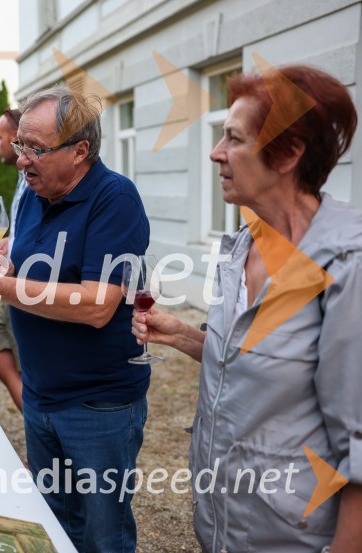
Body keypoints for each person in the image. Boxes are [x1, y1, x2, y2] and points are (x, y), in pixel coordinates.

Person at [132, 65, 362, 553]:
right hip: (223, 524)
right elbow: (251, 359)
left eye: (233, 139)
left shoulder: (346, 264)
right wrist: (177, 332)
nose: (216, 153)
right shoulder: (240, 248)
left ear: (289, 153)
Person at [0, 85, 150, 552]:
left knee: (103, 534)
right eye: (19, 145)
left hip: (98, 404)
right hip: (41, 396)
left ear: (80, 151)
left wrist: (2, 287)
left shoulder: (116, 199)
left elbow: (96, 305)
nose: (22, 158)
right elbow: (23, 258)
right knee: (52, 523)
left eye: (35, 148)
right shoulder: (33, 192)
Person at [0, 107, 27, 411]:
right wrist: (10, 241)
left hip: (21, 282)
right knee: (1, 360)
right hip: (10, 280)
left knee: (25, 365)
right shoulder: (21, 176)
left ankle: (41, 445)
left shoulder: (35, 178)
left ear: (15, 137)